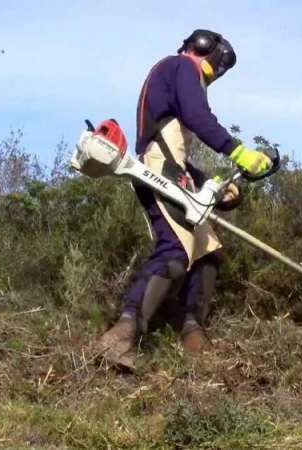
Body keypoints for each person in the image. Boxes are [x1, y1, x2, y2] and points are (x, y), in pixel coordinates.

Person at [95, 29, 272, 368]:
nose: (218, 72)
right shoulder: (181, 66)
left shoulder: (175, 73)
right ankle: (121, 336)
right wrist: (239, 152)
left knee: (206, 253)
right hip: (159, 169)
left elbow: (180, 154)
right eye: (221, 64)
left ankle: (194, 334)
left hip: (175, 170)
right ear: (209, 51)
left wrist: (213, 186)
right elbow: (196, 116)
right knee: (175, 249)